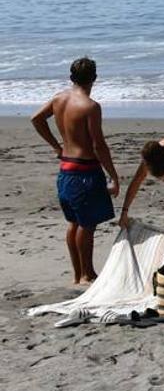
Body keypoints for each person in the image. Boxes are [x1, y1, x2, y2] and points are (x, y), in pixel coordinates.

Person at [29, 57, 120, 284]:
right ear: (95, 78)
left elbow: (37, 119)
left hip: (66, 171)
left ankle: (78, 274)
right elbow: (98, 145)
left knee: (74, 223)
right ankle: (87, 274)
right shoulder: (90, 107)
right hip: (85, 172)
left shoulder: (59, 99)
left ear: (71, 78)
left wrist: (56, 146)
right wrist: (113, 175)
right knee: (86, 225)